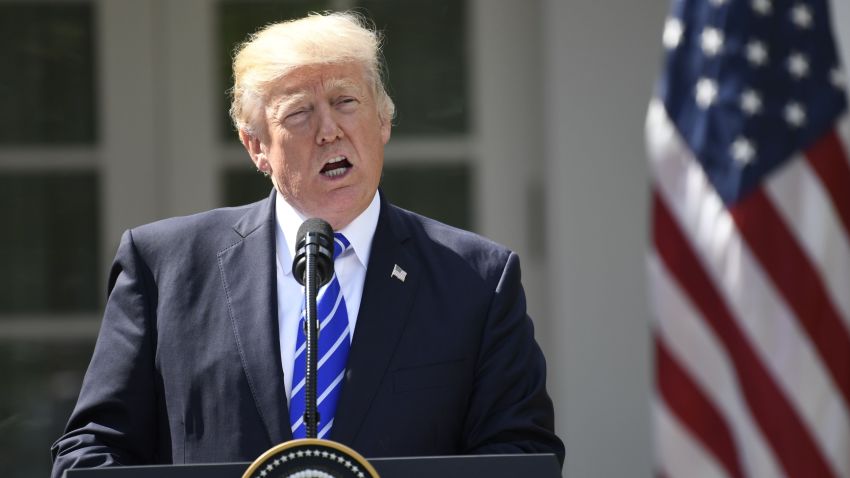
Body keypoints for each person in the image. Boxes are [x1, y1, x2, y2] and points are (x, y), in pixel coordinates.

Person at [51, 11, 564, 476]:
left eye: (346, 102)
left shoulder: (476, 279)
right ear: (256, 146)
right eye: (298, 113)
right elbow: (91, 454)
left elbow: (521, 454)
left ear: (382, 120)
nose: (329, 131)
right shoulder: (163, 267)